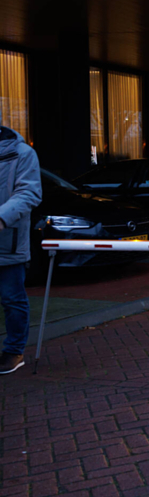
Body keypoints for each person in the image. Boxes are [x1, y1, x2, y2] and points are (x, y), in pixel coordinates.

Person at [0, 126, 42, 375]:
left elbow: (29, 192)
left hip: (7, 240)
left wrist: (2, 218)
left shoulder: (22, 153)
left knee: (11, 298)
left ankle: (14, 352)